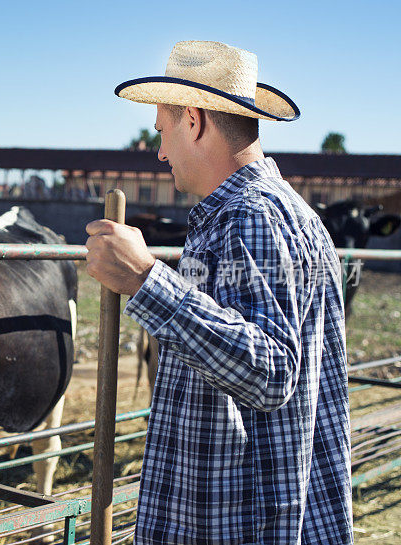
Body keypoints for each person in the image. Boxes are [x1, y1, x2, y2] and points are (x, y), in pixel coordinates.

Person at [86, 41, 352, 544]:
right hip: (251, 508)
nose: (160, 151)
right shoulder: (272, 213)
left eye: (161, 131)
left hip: (236, 521)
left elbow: (272, 371)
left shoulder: (251, 217)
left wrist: (145, 278)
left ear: (194, 120)